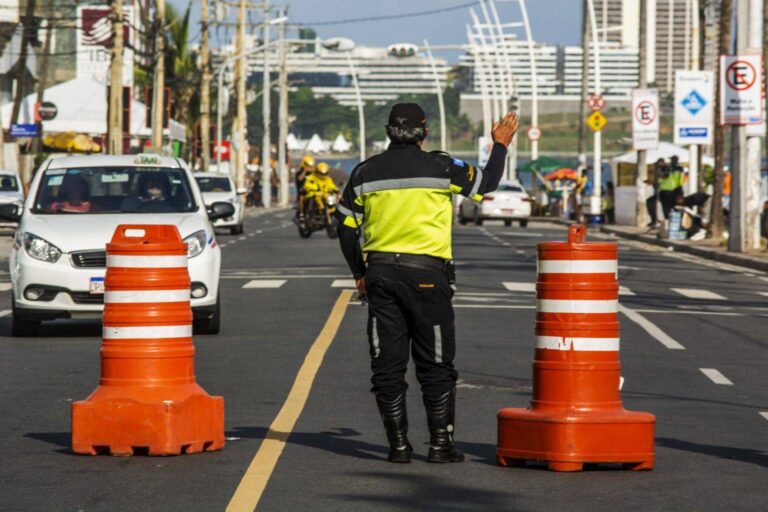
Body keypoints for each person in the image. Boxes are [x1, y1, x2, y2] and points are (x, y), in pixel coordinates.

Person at [335, 103, 518, 464]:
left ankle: (398, 446)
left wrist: (359, 272)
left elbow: (344, 228)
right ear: (425, 133)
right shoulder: (443, 167)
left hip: (381, 276)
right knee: (435, 364)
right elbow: (488, 182)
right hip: (428, 278)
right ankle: (440, 445)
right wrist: (500, 144)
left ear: (388, 132)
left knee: (387, 365)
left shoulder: (364, 172)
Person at [645, 158, 665, 227]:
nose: (655, 167)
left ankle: (656, 220)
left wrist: (655, 174)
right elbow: (656, 182)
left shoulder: (664, 170)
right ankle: (654, 220)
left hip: (664, 191)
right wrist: (650, 182)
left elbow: (664, 179)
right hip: (658, 191)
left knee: (651, 202)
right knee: (651, 203)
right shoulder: (657, 172)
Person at [296, 155, 315, 219]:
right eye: (308, 165)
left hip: (313, 191)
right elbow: (299, 179)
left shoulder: (313, 174)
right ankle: (301, 214)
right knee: (301, 199)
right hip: (303, 192)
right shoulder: (300, 173)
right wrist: (304, 171)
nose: (310, 167)